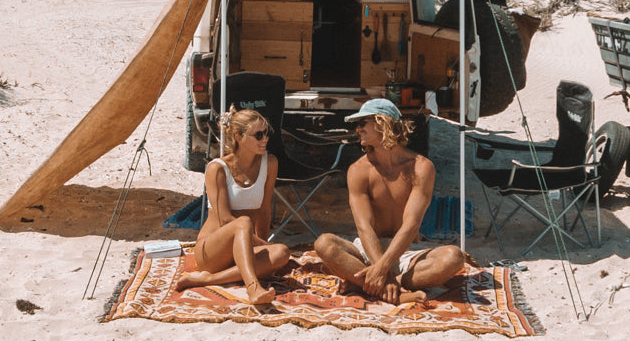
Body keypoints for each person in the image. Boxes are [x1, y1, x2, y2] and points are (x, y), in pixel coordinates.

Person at [314, 98, 466, 304]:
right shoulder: (358, 170)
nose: (357, 129)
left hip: (406, 251)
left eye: (362, 123)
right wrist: (382, 270)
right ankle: (396, 292)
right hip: (368, 248)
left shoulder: (421, 167)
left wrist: (384, 269)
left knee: (454, 258)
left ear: (381, 123)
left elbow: (411, 225)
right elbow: (364, 226)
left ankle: (364, 283)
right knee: (324, 244)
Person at [175, 107, 291, 305]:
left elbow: (264, 210)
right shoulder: (217, 169)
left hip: (245, 245)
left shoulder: (269, 163)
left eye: (266, 133)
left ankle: (208, 279)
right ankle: (253, 287)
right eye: (258, 135)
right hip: (212, 250)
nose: (265, 139)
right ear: (239, 136)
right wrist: (262, 246)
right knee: (243, 222)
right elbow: (225, 219)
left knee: (282, 252)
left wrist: (263, 244)